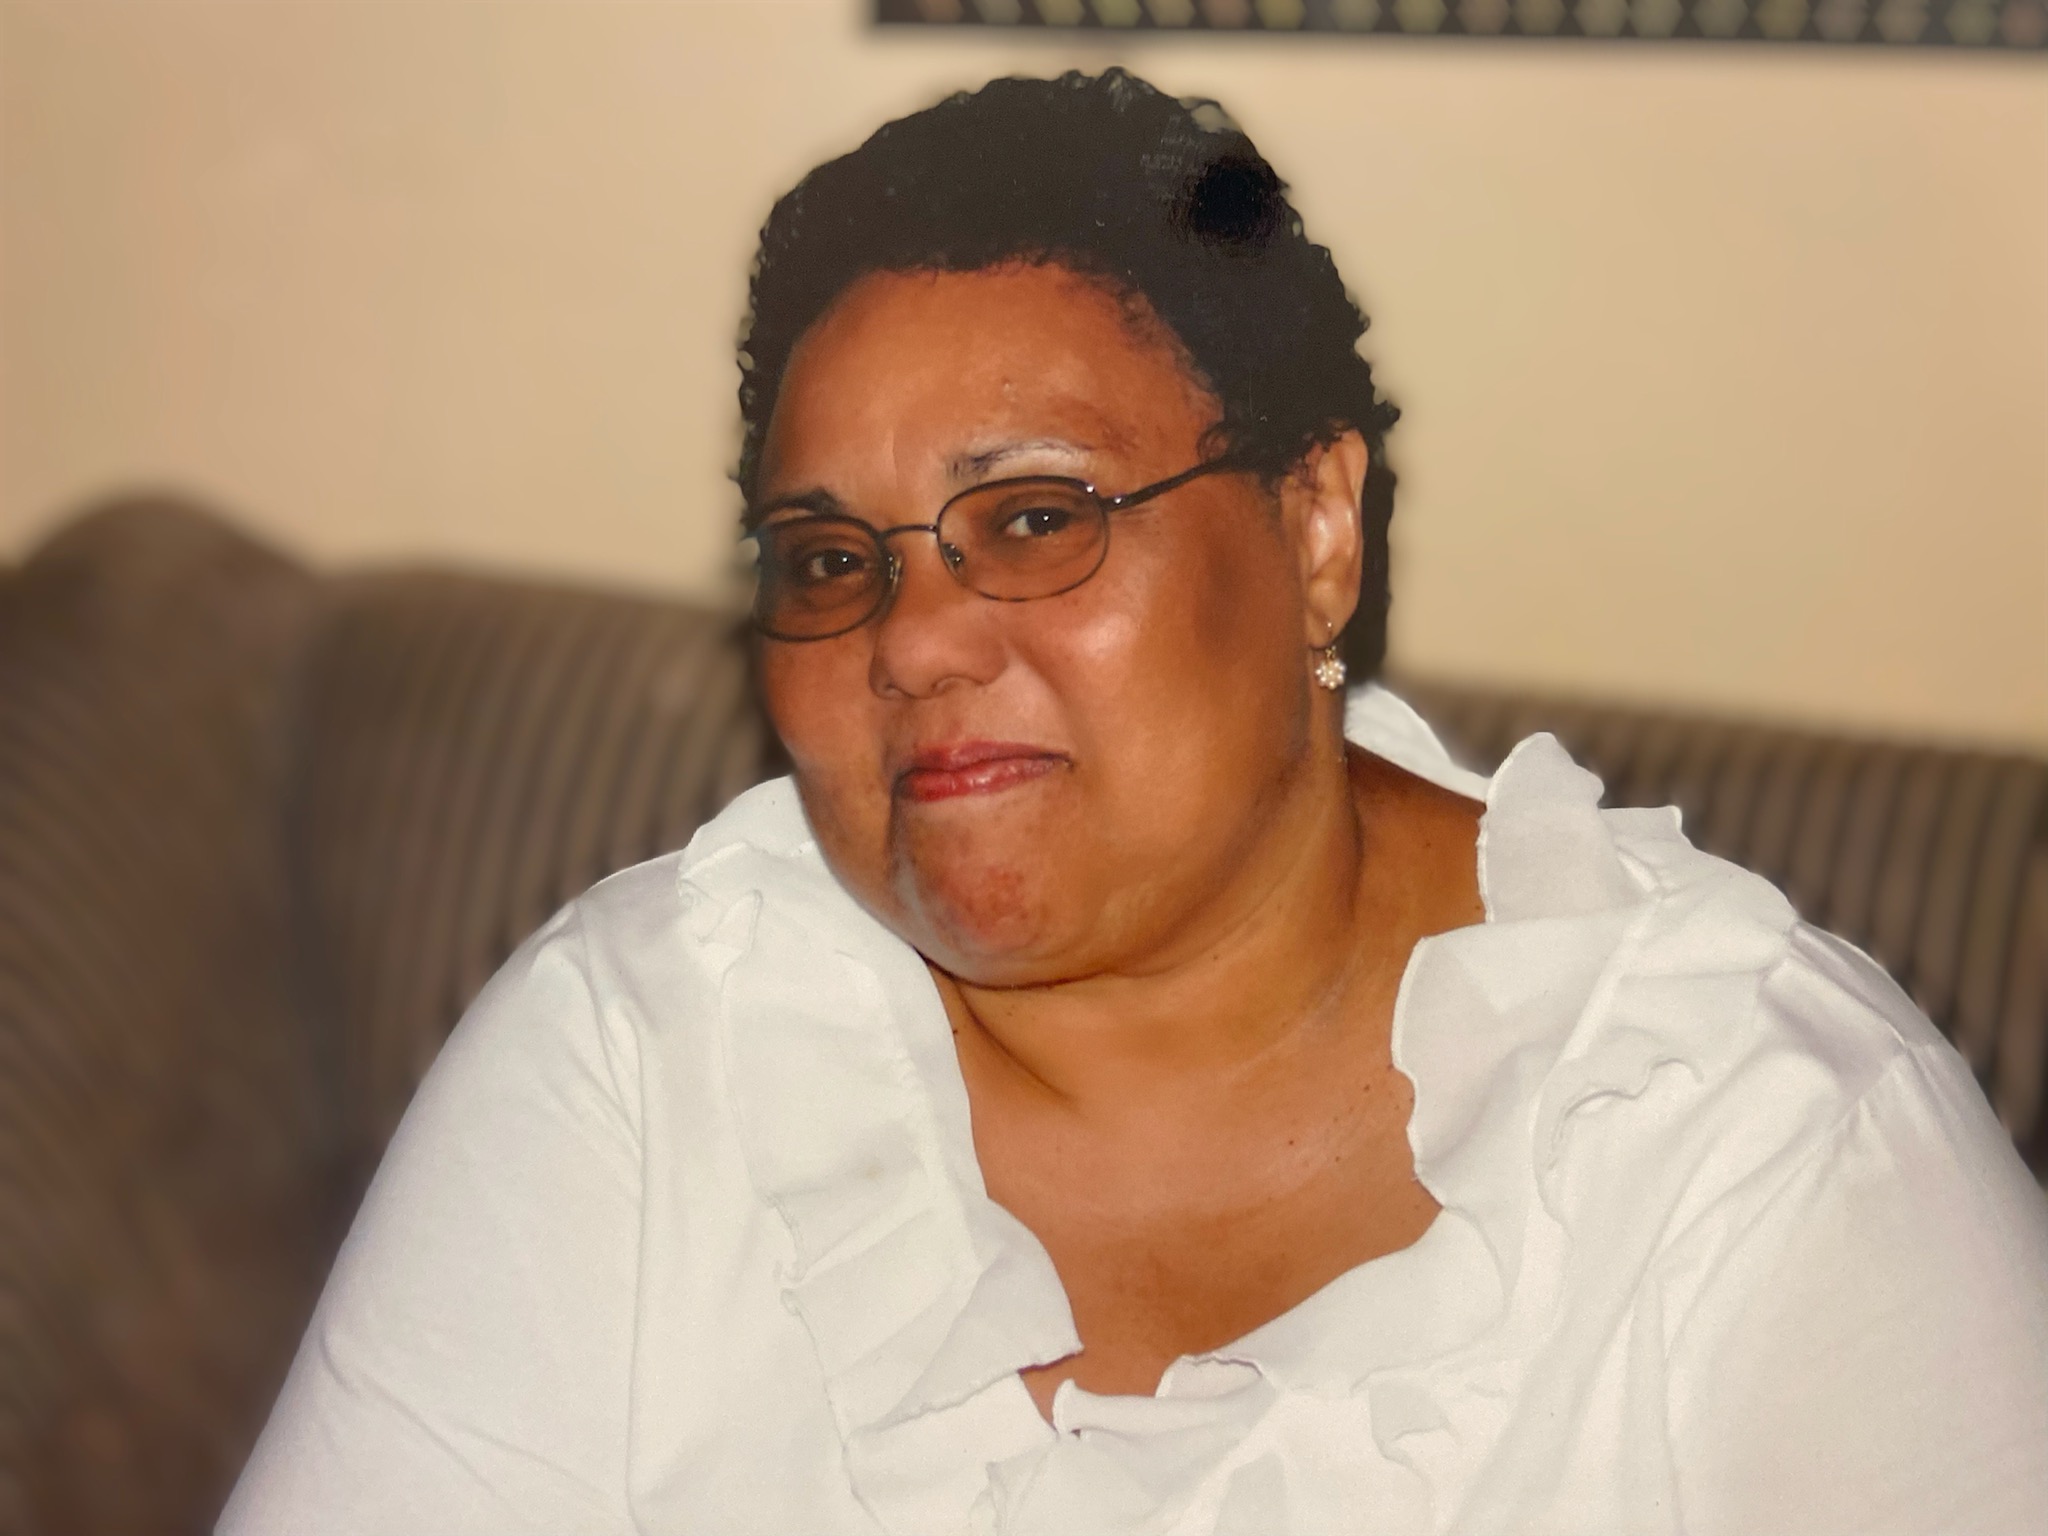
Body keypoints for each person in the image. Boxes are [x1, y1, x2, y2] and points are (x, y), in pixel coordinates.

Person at [219, 70, 2048, 1536]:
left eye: (1035, 518)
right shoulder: (642, 1058)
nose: (914, 643)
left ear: (1316, 529)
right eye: (833, 559)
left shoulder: (1751, 1144)